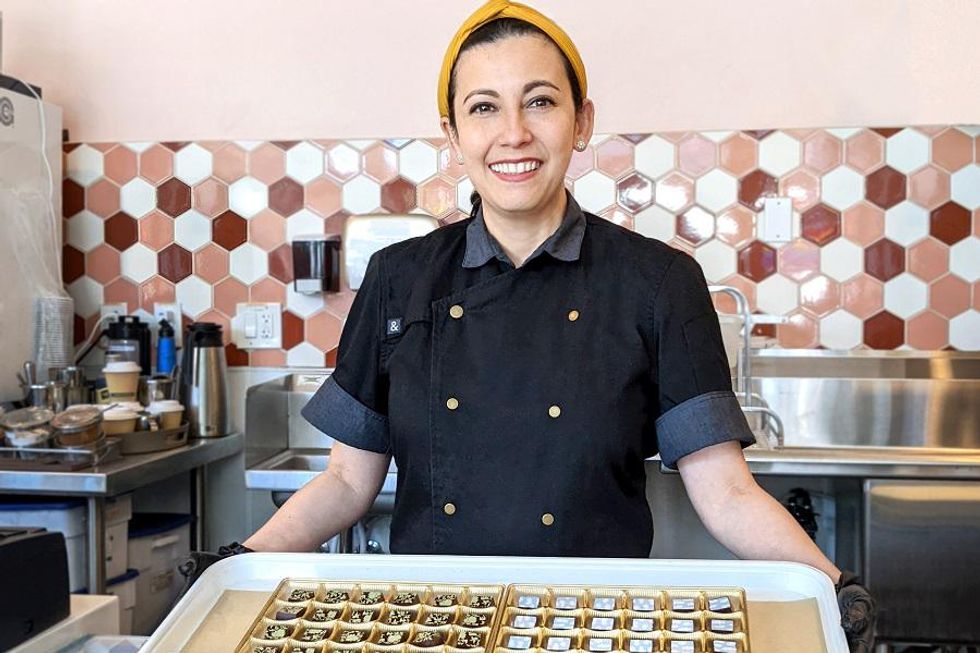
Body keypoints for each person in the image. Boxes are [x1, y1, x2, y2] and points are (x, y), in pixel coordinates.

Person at [182, 1, 874, 649]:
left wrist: (830, 584)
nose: (513, 133)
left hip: (595, 622)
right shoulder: (399, 277)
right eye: (484, 108)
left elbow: (725, 491)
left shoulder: (658, 282)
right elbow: (345, 481)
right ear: (453, 135)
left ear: (582, 121)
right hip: (435, 620)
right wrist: (242, 559)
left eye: (540, 101)